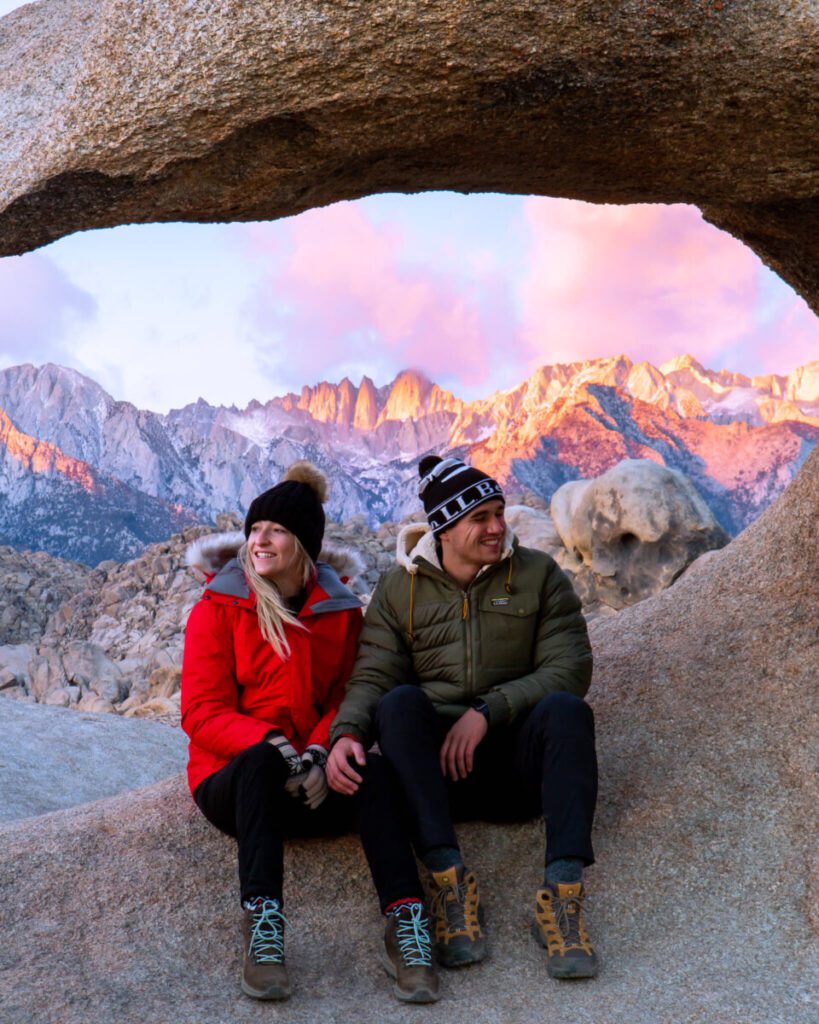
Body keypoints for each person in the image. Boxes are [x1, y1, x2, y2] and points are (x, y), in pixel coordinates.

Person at [327, 454, 598, 1003]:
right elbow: (374, 674)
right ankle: (450, 886)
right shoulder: (400, 591)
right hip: (435, 786)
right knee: (399, 704)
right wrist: (346, 735)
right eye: (481, 518)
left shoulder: (538, 576)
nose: (497, 527)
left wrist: (487, 711)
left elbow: (571, 668)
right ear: (444, 529)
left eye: (499, 513)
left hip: (518, 769)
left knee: (569, 712)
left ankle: (563, 900)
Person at [180, 461, 363, 1001]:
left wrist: (318, 754)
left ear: (303, 545)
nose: (259, 539)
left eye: (276, 530)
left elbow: (346, 696)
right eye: (255, 528)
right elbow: (201, 712)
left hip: (311, 778)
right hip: (233, 783)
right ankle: (264, 933)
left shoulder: (341, 612)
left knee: (379, 770)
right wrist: (276, 748)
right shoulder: (218, 607)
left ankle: (407, 920)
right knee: (259, 762)